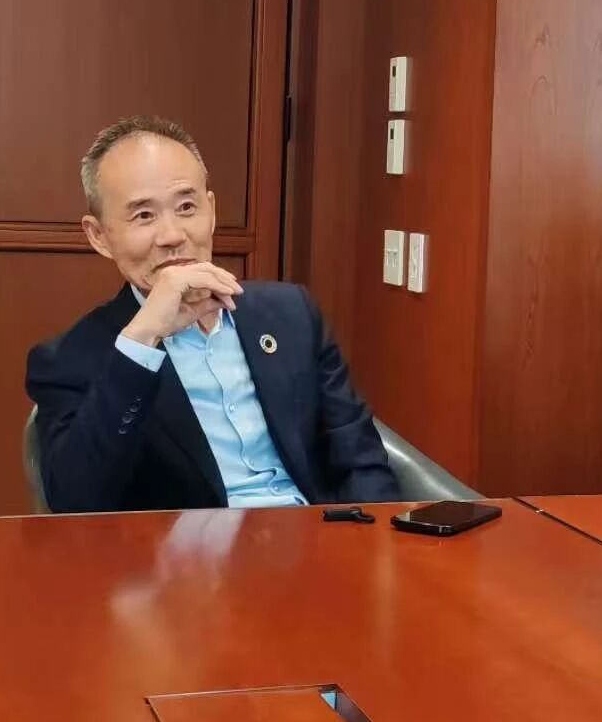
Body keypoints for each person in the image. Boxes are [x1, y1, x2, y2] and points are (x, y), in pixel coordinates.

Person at [27, 116, 404, 512]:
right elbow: (75, 502)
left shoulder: (291, 314)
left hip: (315, 537)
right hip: (190, 548)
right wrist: (142, 342)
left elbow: (360, 458)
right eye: (144, 216)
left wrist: (374, 539)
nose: (172, 235)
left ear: (211, 211)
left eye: (186, 207)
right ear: (99, 236)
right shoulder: (73, 357)